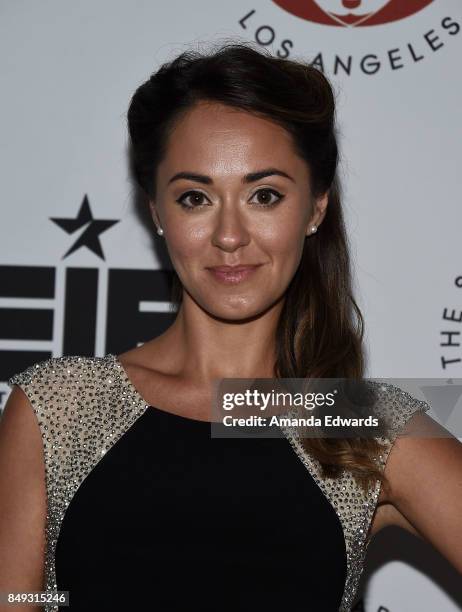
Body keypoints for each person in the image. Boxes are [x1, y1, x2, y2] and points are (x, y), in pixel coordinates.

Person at [0, 41, 461, 612]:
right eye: (195, 197)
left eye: (264, 195)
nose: (229, 236)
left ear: (316, 208)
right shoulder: (59, 405)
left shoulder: (352, 419)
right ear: (156, 211)